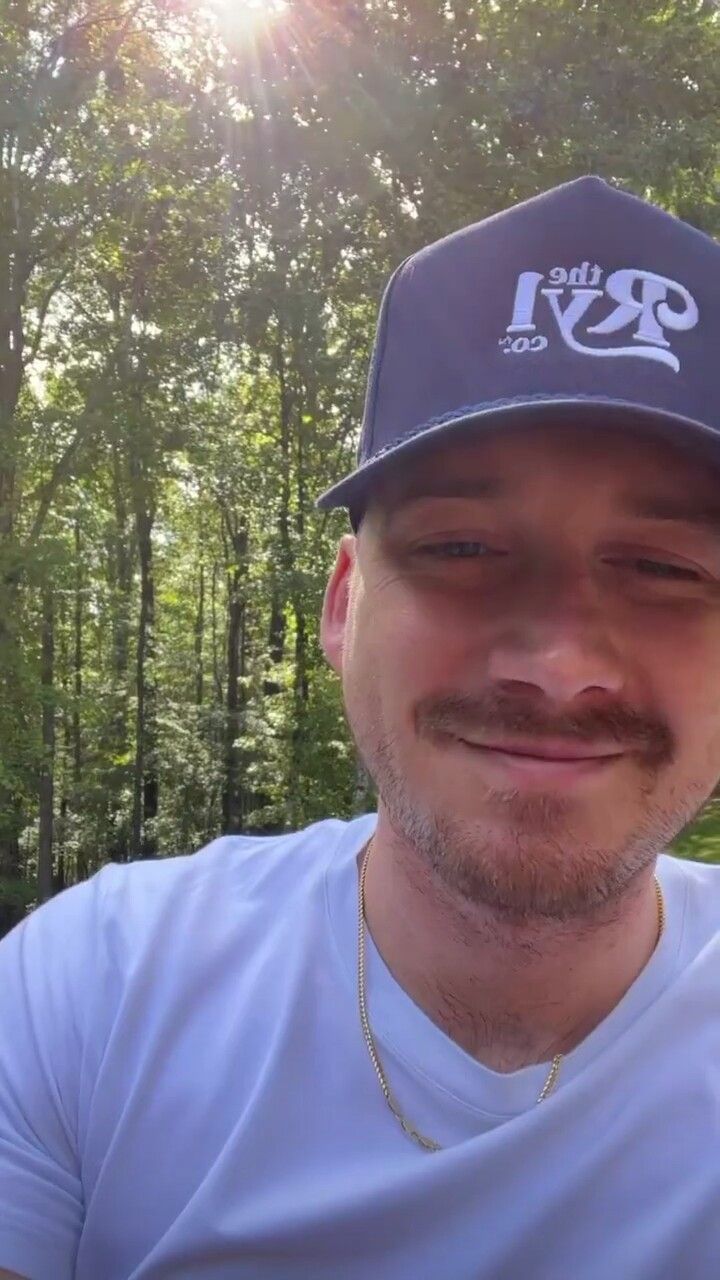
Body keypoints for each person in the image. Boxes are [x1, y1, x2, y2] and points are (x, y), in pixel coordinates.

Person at [3, 175, 720, 1280]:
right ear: (342, 605)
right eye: (464, 549)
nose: (559, 666)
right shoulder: (90, 995)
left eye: (665, 568)